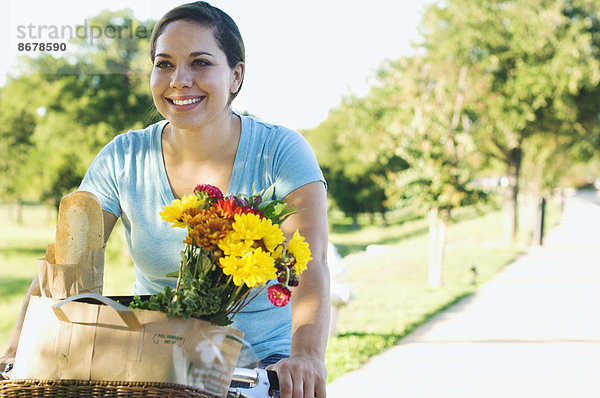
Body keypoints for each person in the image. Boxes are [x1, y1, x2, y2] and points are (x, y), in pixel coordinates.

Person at [0, 2, 330, 397]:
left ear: (236, 76)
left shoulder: (280, 152)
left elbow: (310, 264)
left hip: (262, 367)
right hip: (159, 366)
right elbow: (64, 264)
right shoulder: (122, 158)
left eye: (200, 63)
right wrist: (15, 349)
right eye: (165, 64)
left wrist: (306, 355)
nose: (179, 80)